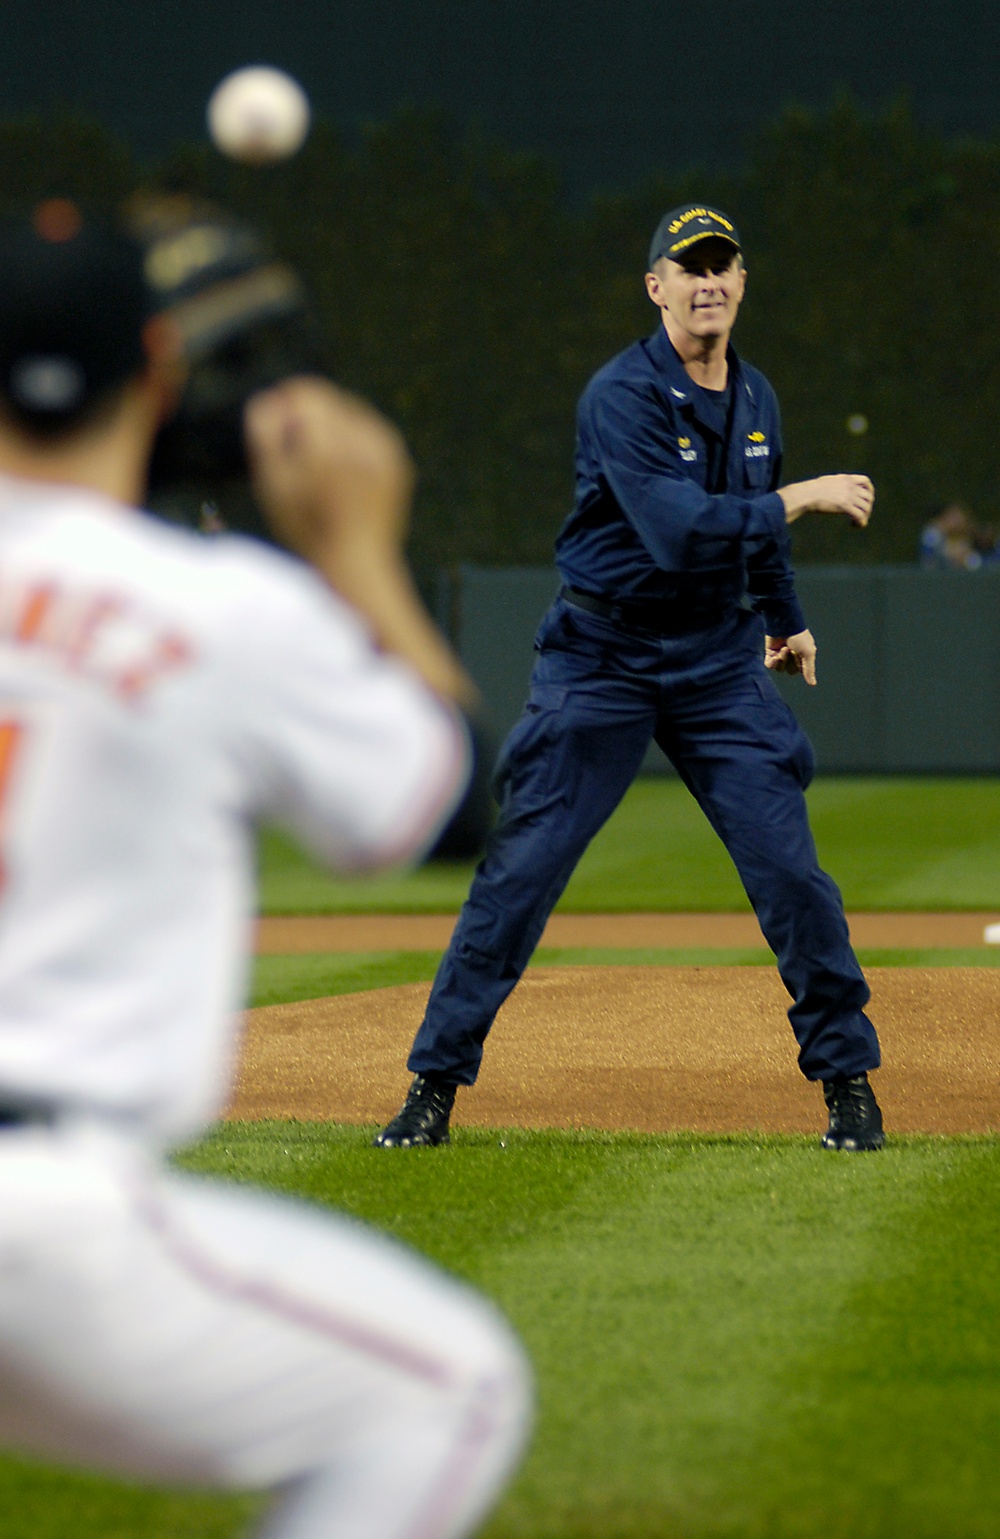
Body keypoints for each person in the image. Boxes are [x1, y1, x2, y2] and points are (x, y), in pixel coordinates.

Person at [0, 203, 530, 1539]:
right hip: (41, 1218)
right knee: (448, 1390)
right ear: (162, 369)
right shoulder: (221, 605)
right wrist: (352, 547)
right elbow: (450, 799)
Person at [376, 202, 884, 1155]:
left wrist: (786, 617)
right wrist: (803, 494)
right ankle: (431, 1088)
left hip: (717, 661)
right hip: (600, 657)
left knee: (791, 875)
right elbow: (683, 529)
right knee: (521, 873)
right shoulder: (621, 394)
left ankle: (849, 1086)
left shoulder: (758, 396)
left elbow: (749, 530)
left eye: (722, 265)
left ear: (741, 284)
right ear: (656, 288)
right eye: (687, 267)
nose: (707, 280)